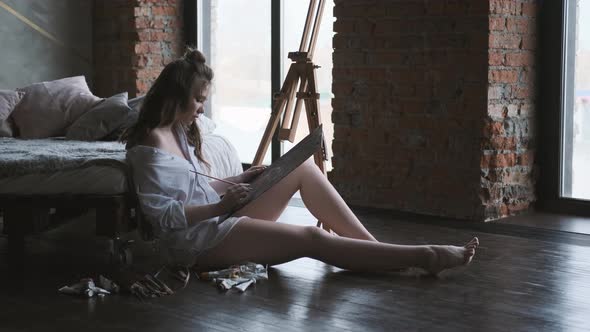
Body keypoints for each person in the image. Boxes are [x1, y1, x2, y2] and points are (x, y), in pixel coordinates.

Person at [121, 47, 479, 275]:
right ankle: (422, 256)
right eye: (198, 100)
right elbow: (164, 218)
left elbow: (194, 190)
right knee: (310, 238)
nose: (201, 109)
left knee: (303, 169)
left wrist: (244, 180)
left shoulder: (179, 131)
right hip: (194, 244)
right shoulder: (150, 147)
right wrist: (221, 208)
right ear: (177, 96)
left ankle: (375, 251)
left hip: (216, 219)